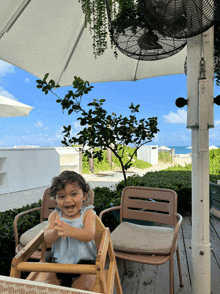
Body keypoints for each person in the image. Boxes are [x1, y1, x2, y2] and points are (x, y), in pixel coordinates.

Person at [44, 170, 97, 288]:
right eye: (62, 196)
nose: (68, 200)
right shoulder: (55, 216)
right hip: (58, 263)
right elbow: (47, 238)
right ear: (56, 200)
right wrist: (56, 231)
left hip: (84, 263)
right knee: (48, 285)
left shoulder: (88, 214)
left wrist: (70, 230)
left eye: (73, 194)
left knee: (82, 288)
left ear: (84, 195)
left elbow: (89, 235)